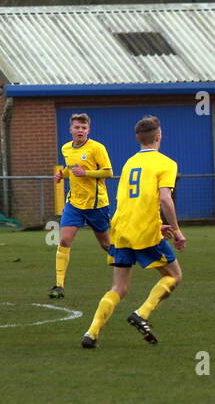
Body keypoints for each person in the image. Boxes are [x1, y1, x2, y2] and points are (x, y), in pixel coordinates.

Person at [82, 116, 184, 347]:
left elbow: (130, 199)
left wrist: (158, 223)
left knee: (119, 287)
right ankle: (142, 313)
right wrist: (177, 231)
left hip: (120, 229)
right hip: (144, 232)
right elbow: (165, 198)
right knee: (174, 275)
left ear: (138, 138)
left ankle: (91, 333)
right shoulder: (166, 163)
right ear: (159, 136)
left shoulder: (129, 163)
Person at [50, 113, 113, 299]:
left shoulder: (97, 148)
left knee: (106, 244)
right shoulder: (66, 148)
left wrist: (86, 173)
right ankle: (59, 285)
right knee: (64, 240)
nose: (80, 131)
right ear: (70, 130)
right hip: (74, 203)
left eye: (83, 128)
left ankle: (123, 264)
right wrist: (62, 175)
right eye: (77, 127)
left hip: (96, 204)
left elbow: (108, 172)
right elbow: (71, 169)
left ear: (88, 130)